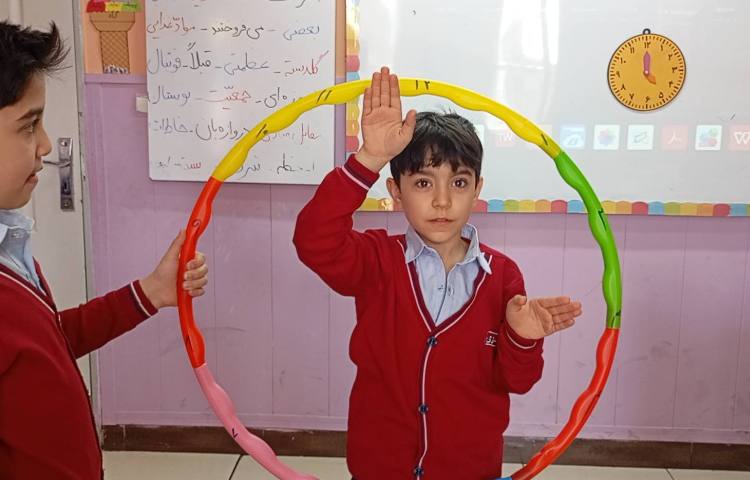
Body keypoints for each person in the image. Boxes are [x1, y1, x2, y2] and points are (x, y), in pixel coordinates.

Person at [294, 67, 582, 479]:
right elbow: (313, 239)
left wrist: (522, 338)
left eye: (459, 183)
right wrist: (369, 159)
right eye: (423, 184)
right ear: (396, 191)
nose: (443, 201)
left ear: (477, 189)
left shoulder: (503, 276)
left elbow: (517, 381)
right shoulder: (376, 259)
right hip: (380, 465)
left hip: (468, 468)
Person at [0, 21, 209, 479]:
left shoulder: (10, 244)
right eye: (28, 125)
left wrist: (150, 292)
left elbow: (48, 345)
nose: (46, 144)